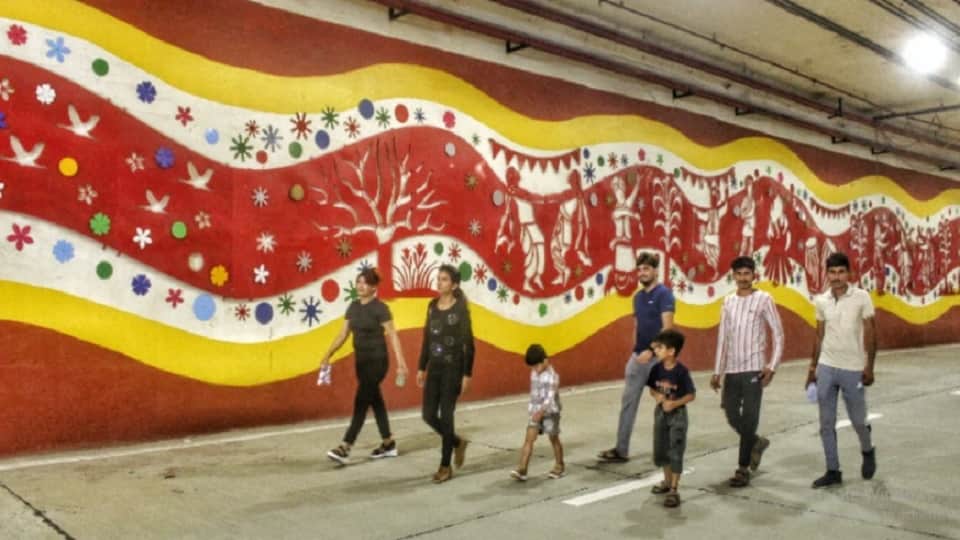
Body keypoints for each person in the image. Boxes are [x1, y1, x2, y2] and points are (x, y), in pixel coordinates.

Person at [710, 256, 785, 487]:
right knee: (731, 413)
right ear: (733, 276)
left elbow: (779, 334)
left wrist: (771, 366)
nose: (743, 278)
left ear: (754, 275)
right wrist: (717, 371)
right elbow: (723, 338)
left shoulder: (764, 299)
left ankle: (742, 468)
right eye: (739, 274)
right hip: (732, 369)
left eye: (747, 274)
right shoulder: (728, 302)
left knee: (750, 418)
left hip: (754, 368)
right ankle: (756, 442)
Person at [321, 268, 408, 464]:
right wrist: (328, 355)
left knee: (361, 402)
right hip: (361, 362)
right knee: (375, 402)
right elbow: (343, 335)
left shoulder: (381, 309)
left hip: (378, 361)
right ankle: (388, 443)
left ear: (374, 287)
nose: (361, 286)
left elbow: (393, 336)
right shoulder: (353, 307)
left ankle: (345, 446)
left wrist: (401, 364)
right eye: (359, 281)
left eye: (365, 283)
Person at [806, 252, 878, 488]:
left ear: (849, 273)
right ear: (826, 274)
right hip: (827, 367)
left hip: (853, 369)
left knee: (858, 421)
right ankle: (833, 470)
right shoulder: (821, 300)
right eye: (832, 272)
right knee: (826, 423)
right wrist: (812, 367)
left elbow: (871, 332)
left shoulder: (861, 297)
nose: (836, 277)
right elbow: (819, 335)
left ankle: (867, 450)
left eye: (841, 272)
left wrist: (869, 366)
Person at [598, 252, 675, 462]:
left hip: (657, 359)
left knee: (665, 404)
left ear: (655, 271)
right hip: (638, 358)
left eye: (646, 269)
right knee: (628, 403)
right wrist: (636, 351)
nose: (642, 273)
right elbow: (638, 326)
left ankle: (668, 451)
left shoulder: (664, 295)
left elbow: (668, 329)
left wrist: (652, 350)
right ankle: (621, 450)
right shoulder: (637, 298)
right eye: (639, 269)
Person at [417, 264, 475, 483]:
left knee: (447, 415)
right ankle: (457, 442)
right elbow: (427, 339)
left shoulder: (460, 309)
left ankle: (445, 466)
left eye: (444, 279)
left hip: (453, 369)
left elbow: (469, 345)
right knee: (428, 414)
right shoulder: (432, 306)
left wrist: (466, 374)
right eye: (438, 278)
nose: (439, 282)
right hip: (435, 369)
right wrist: (422, 367)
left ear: (454, 285)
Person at [647, 329, 696, 508]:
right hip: (660, 414)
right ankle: (667, 482)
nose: (656, 351)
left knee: (675, 449)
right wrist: (657, 396)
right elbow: (652, 388)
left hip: (677, 415)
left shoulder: (681, 372)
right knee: (661, 449)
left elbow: (691, 395)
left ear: (671, 351)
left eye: (660, 348)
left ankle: (674, 489)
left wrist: (674, 404)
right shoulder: (656, 369)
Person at [510, 344, 564, 481]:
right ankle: (522, 468)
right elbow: (534, 394)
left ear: (545, 360)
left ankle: (559, 465)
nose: (535, 370)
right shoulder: (534, 372)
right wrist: (533, 411)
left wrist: (541, 411)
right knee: (529, 438)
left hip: (550, 413)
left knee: (553, 438)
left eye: (536, 366)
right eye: (532, 367)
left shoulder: (552, 377)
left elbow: (550, 398)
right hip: (535, 412)